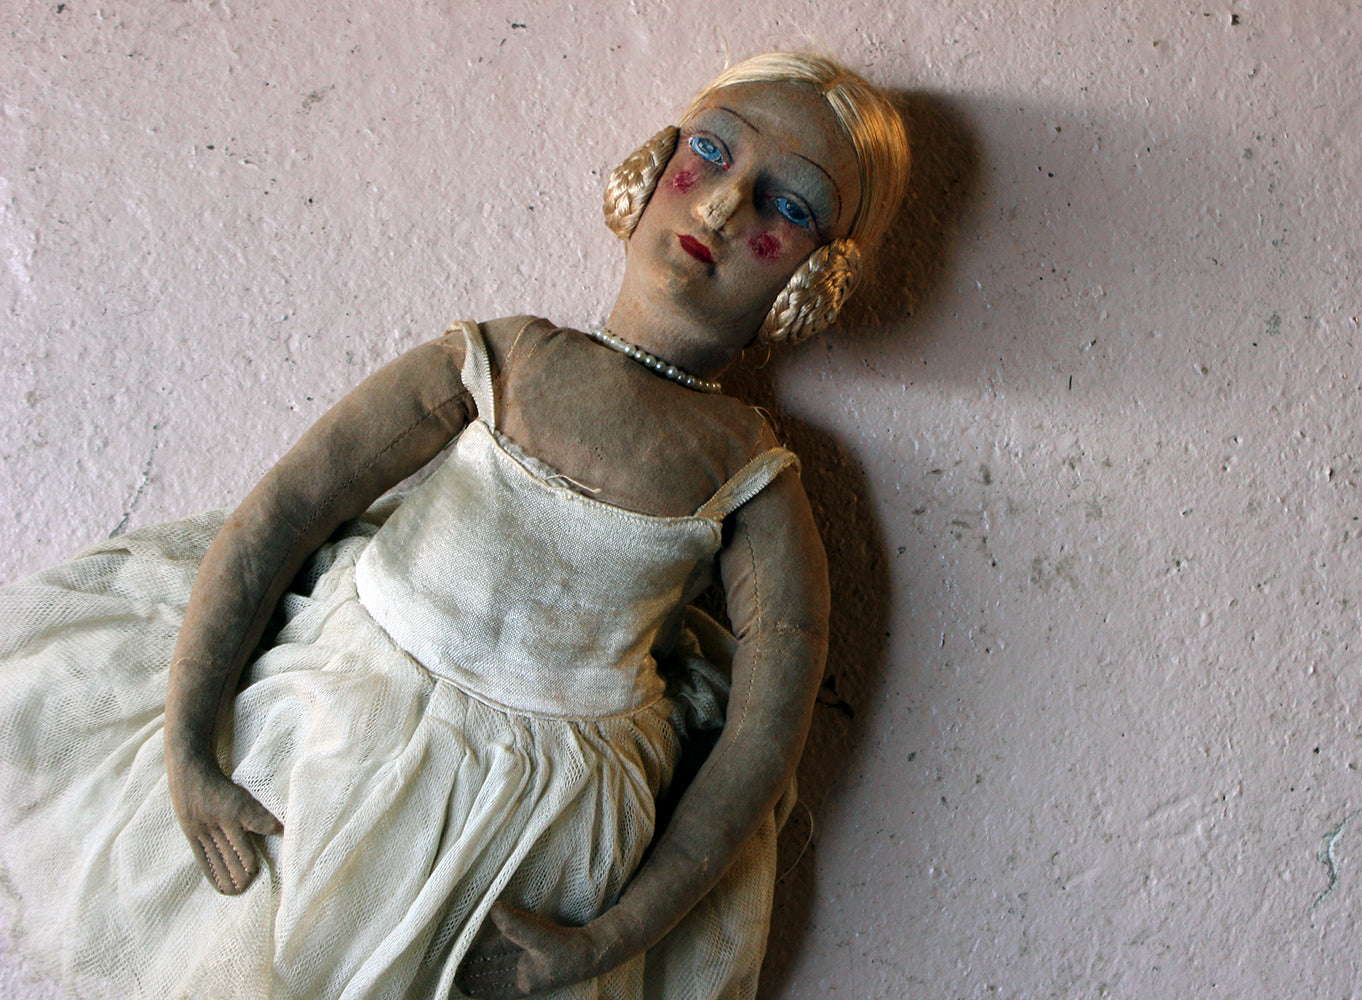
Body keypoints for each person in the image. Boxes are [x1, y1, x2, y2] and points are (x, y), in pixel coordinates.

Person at [0, 51, 909, 1000]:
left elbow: (760, 745)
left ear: (818, 278)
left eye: (787, 206)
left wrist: (606, 937)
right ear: (652, 163)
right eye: (712, 152)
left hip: (538, 831)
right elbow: (286, 511)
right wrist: (188, 747)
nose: (722, 207)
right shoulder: (502, 359)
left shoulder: (750, 478)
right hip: (338, 724)